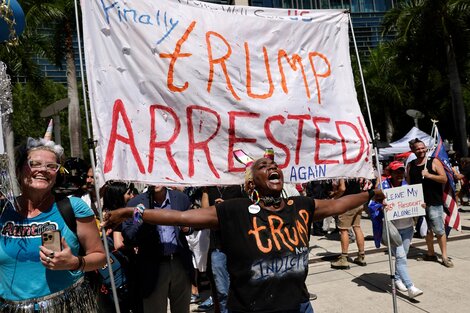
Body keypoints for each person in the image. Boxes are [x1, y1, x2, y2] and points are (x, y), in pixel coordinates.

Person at [104, 157, 385, 313]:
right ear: (251, 182)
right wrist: (130, 213)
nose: (273, 168)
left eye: (275, 166)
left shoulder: (299, 205)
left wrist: (371, 193)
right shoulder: (234, 211)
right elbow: (180, 217)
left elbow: (338, 205)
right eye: (264, 166)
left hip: (298, 306)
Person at [0, 137, 106, 312]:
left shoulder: (73, 207)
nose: (43, 170)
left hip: (65, 306)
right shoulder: (2, 211)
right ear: (18, 171)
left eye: (51, 166)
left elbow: (99, 256)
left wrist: (74, 262)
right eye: (34, 163)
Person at [121, 185, 194, 313]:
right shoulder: (135, 203)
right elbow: (129, 237)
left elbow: (194, 223)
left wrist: (188, 228)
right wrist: (139, 218)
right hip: (153, 267)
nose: (155, 183)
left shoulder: (181, 199)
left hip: (179, 263)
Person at [369, 161, 423, 298]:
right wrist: (381, 206)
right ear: (390, 173)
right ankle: (411, 287)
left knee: (402, 257)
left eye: (401, 171)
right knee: (400, 257)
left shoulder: (407, 186)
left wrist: (421, 205)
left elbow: (415, 202)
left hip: (408, 227)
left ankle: (398, 279)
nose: (399, 174)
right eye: (396, 171)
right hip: (392, 229)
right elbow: (371, 205)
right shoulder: (383, 186)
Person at [407, 138, 453, 268]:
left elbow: (444, 179)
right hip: (419, 204)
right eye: (418, 148)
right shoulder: (410, 165)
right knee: (426, 230)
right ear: (413, 150)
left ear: (426, 148)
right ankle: (430, 253)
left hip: (434, 202)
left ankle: (444, 256)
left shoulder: (434, 162)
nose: (421, 150)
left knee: (439, 230)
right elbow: (409, 183)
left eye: (422, 147)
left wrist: (429, 175)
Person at [331, 179, 368, 269]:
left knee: (344, 230)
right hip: (358, 201)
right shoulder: (355, 168)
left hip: (347, 202)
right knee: (357, 227)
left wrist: (334, 198)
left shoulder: (344, 170)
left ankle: (344, 258)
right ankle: (361, 256)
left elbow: (343, 188)